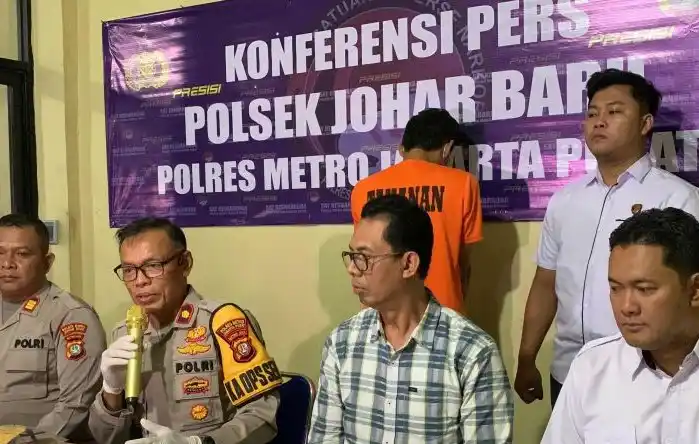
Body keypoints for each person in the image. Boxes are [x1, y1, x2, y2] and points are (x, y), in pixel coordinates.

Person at [515, 68, 699, 408]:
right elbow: (545, 284)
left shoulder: (678, 199)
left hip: (645, 378)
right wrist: (527, 356)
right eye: (592, 114)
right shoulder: (564, 201)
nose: (599, 121)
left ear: (645, 124)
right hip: (568, 373)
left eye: (614, 112)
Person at [308, 194, 513, 444]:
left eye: (364, 257)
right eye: (352, 256)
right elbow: (324, 437)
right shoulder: (342, 342)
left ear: (408, 264)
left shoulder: (473, 352)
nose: (352, 268)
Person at [88, 218, 280, 444]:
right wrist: (111, 390)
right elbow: (104, 438)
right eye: (129, 270)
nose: (140, 281)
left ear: (185, 263)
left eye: (153, 266)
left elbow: (262, 417)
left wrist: (197, 443)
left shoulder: (224, 322)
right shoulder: (124, 333)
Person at [541, 207, 699, 443]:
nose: (626, 307)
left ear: (695, 290)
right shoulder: (592, 367)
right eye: (615, 288)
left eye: (644, 289)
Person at [350, 108, 482, 314]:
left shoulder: (363, 189)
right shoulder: (465, 184)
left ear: (401, 149)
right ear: (447, 149)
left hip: (380, 312)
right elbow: (463, 263)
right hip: (443, 311)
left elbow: (363, 258)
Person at [0, 213, 106, 443]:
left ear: (47, 262)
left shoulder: (71, 316)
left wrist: (25, 442)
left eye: (22, 254)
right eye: (0, 252)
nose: (7, 263)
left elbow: (75, 405)